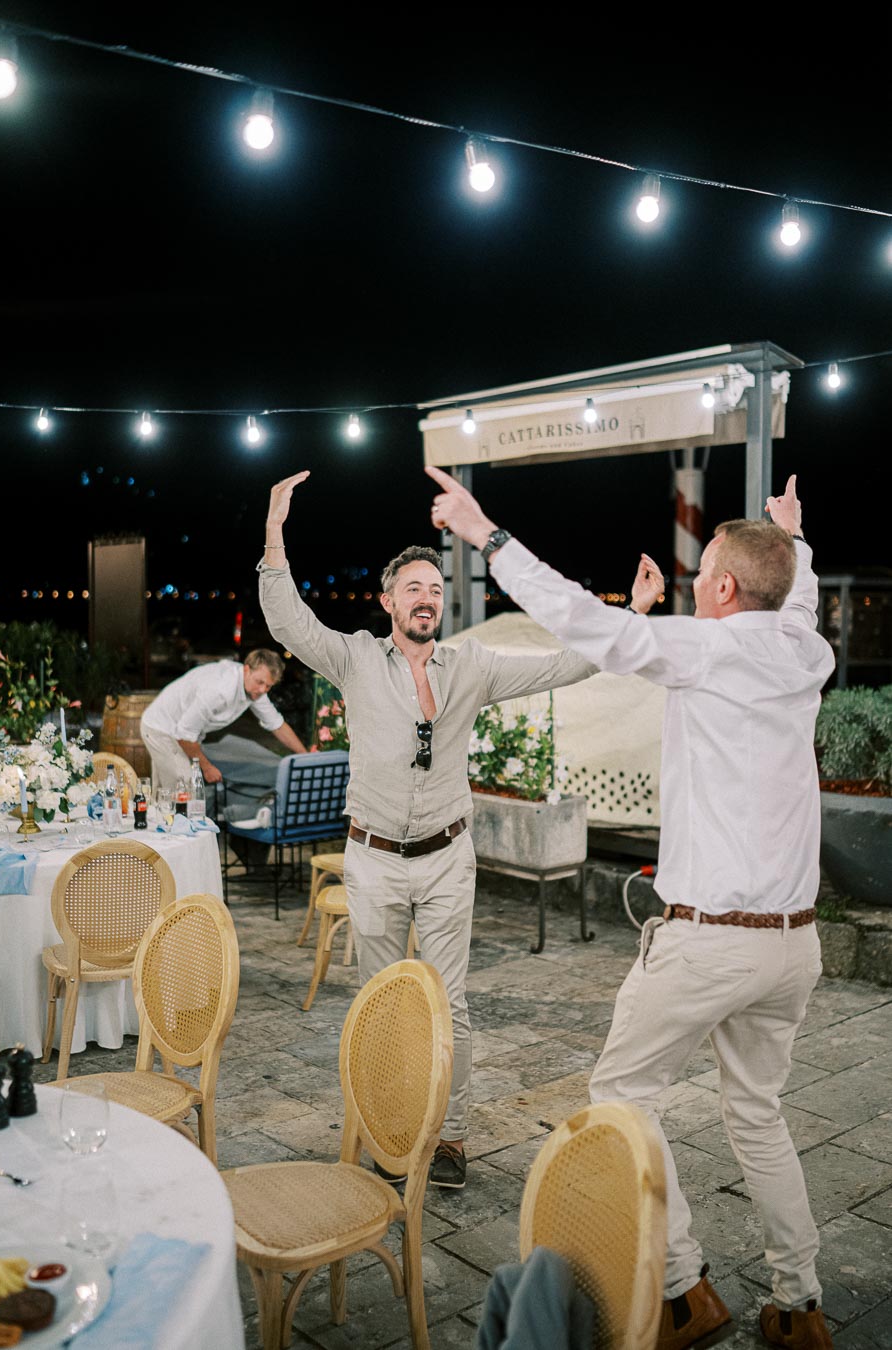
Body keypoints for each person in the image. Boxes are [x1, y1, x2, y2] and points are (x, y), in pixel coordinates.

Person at [426, 465, 835, 1350]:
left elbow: (588, 621)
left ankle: (684, 1290)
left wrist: (486, 535)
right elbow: (793, 605)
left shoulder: (709, 644)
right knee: (758, 1114)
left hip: (709, 944)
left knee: (620, 1094)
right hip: (793, 946)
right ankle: (799, 1308)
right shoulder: (805, 651)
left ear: (724, 587)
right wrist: (794, 538)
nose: (695, 585)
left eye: (706, 573)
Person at [259, 470, 664, 1191]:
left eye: (436, 589)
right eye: (413, 588)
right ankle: (387, 1126)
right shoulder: (353, 657)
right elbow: (288, 622)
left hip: (447, 857)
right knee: (382, 1001)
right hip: (374, 858)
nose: (428, 598)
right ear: (387, 602)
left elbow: (562, 666)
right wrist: (275, 531)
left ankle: (450, 1135)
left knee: (452, 1003)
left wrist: (628, 614)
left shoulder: (470, 666)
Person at [140, 649, 309, 793]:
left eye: (269, 686)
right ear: (246, 670)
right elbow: (184, 736)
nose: (263, 690)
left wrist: (305, 756)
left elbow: (277, 725)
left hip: (181, 730)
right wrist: (207, 768)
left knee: (165, 794)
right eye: (260, 682)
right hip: (161, 728)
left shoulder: (256, 690)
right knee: (185, 791)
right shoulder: (219, 691)